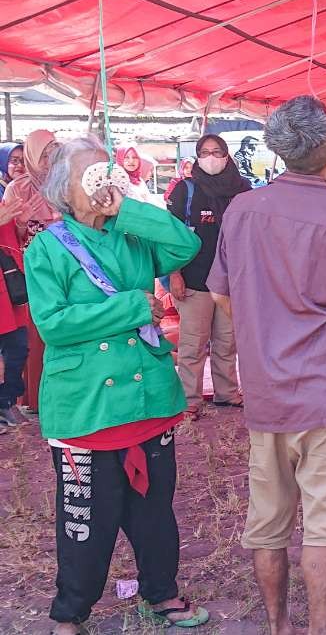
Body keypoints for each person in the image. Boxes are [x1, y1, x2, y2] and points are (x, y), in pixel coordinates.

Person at [207, 96, 326, 635]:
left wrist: (261, 331)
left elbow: (222, 296)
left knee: (267, 522)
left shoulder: (242, 211)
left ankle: (277, 626)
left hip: (264, 388)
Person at [25, 136, 208, 634]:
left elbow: (185, 246)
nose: (103, 182)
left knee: (154, 510)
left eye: (107, 172)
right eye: (91, 176)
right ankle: (71, 612)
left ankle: (161, 593)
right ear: (67, 190)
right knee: (88, 520)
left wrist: (128, 210)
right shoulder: (46, 247)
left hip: (147, 399)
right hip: (87, 407)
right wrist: (132, 307)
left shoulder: (131, 234)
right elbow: (54, 324)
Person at [167, 135, 249, 417]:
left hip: (230, 281)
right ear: (197, 156)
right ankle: (189, 397)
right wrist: (174, 274)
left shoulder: (241, 190)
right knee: (193, 342)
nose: (211, 157)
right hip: (194, 279)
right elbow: (169, 238)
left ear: (227, 156)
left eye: (217, 152)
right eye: (205, 152)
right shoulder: (185, 191)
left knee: (228, 341)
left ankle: (226, 392)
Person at [5, 129, 60, 415]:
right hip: (31, 271)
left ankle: (64, 396)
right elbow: (8, 236)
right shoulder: (18, 188)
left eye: (54, 146)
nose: (51, 153)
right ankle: (37, 399)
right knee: (36, 336)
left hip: (65, 267)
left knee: (63, 330)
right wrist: (23, 222)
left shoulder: (66, 182)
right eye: (45, 149)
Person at [0, 193, 28, 429]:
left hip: (8, 293)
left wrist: (19, 226)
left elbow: (11, 240)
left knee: (18, 348)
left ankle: (6, 402)